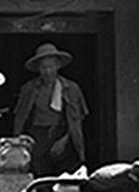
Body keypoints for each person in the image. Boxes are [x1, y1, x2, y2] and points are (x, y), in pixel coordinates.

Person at [13, 42, 89, 176]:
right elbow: (20, 118)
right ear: (38, 69)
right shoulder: (29, 89)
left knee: (65, 177)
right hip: (37, 137)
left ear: (58, 65)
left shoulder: (71, 89)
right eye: (43, 67)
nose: (47, 71)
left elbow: (77, 120)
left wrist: (65, 140)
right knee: (40, 175)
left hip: (63, 135)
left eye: (51, 66)